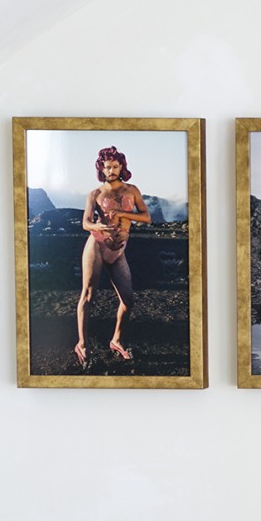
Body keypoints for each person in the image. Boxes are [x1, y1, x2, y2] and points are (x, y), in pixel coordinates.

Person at [76, 146, 146, 366]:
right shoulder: (95, 194)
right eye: (108, 167)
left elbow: (146, 216)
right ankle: (82, 344)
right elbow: (85, 222)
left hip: (118, 250)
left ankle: (116, 339)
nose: (112, 170)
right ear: (102, 169)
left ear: (122, 167)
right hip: (96, 245)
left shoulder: (132, 190)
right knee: (88, 295)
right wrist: (96, 225)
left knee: (128, 300)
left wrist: (124, 214)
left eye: (116, 166)